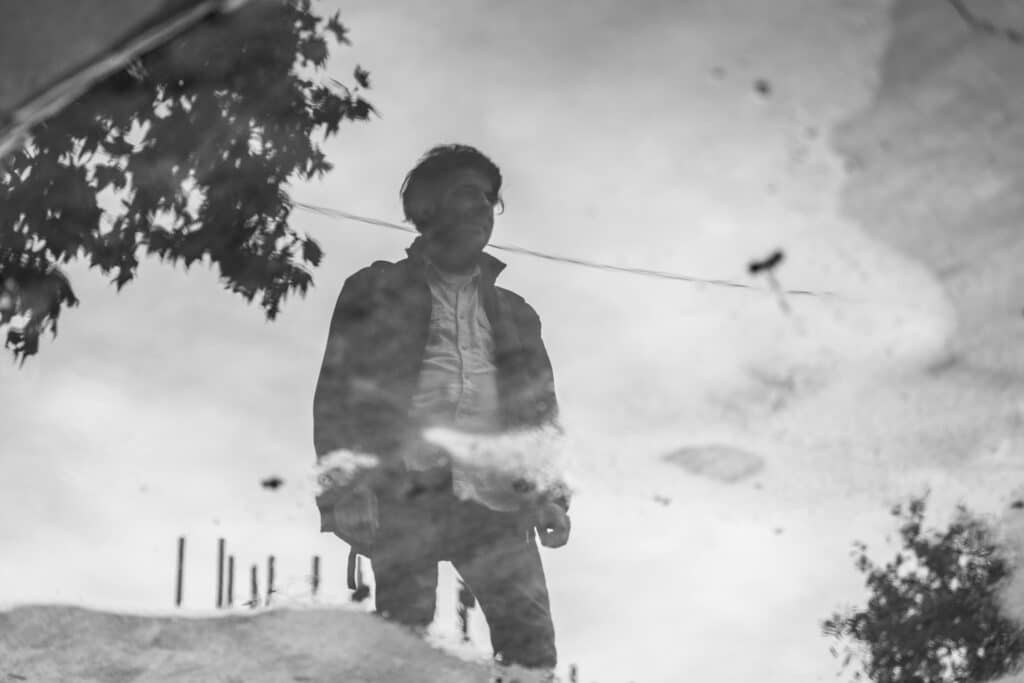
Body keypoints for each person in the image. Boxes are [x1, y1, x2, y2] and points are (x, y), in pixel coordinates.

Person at [313, 144, 571, 672]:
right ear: (427, 207)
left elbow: (541, 413)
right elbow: (337, 391)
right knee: (404, 652)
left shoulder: (518, 314)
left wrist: (552, 496)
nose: (481, 207)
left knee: (531, 657)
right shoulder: (374, 287)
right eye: (465, 193)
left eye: (489, 199)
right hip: (405, 493)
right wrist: (345, 488)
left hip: (501, 502)